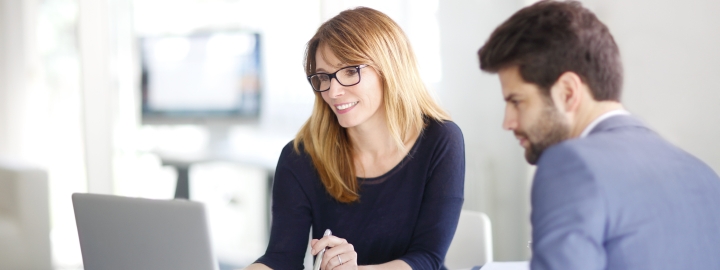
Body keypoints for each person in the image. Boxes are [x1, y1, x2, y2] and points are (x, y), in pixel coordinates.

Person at [476, 1, 720, 269]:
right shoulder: (703, 174)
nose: (507, 122)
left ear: (567, 93)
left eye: (517, 101)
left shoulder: (570, 164)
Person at [244, 7, 465, 270]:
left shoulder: (440, 140)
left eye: (350, 71)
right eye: (323, 76)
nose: (333, 91)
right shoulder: (301, 157)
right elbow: (281, 258)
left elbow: (427, 258)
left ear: (389, 68)